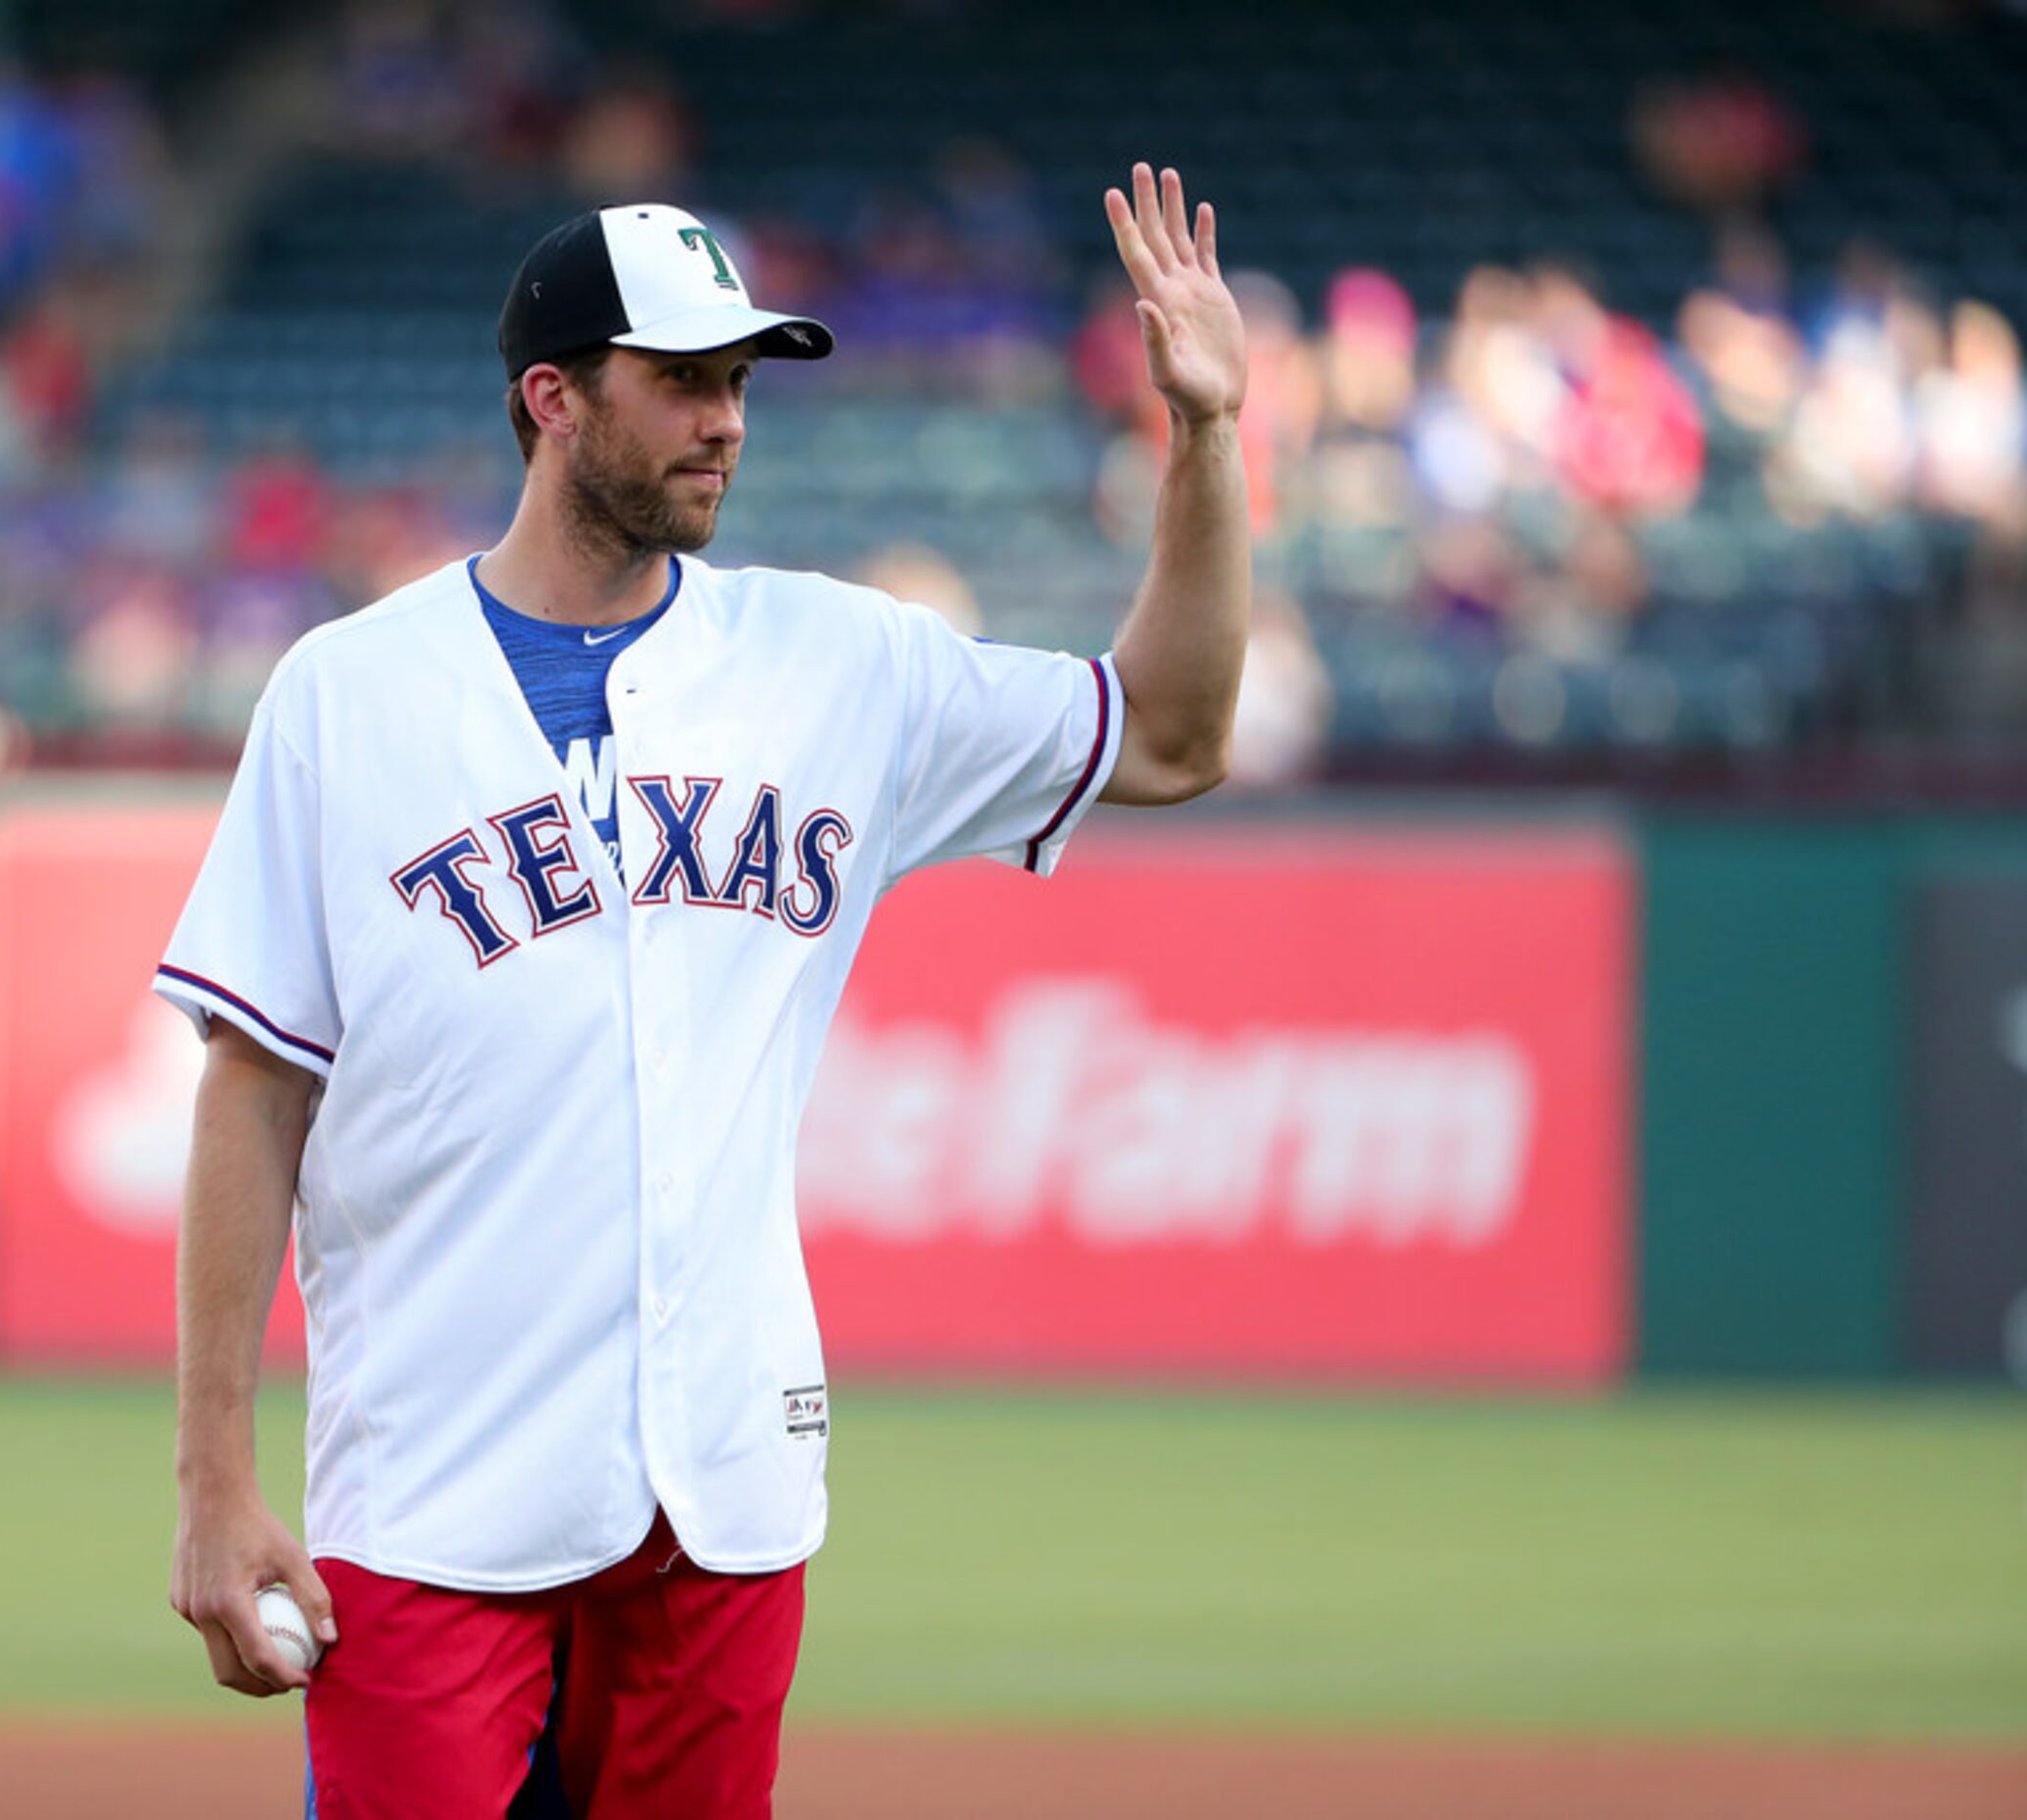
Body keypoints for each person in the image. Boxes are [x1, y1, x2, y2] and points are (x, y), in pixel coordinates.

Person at [159, 167, 1249, 1818]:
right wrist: (213, 1477)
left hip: (724, 1501)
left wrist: (1210, 441)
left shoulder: (842, 668)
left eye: (738, 381)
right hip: (433, 1497)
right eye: (681, 380)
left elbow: (1168, 730)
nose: (726, 420)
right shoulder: (346, 696)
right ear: (553, 400)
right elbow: (255, 1089)